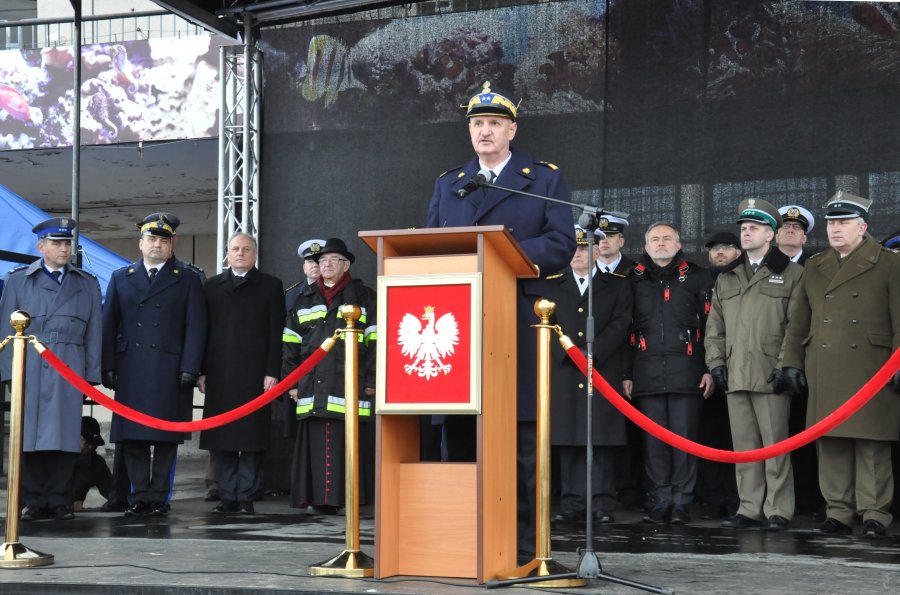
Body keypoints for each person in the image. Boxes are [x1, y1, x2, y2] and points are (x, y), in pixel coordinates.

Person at [425, 81, 575, 556]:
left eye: (493, 123)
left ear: (512, 129)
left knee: (522, 438)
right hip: (460, 326)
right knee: (462, 434)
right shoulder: (448, 182)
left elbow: (560, 245)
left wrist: (497, 254)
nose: (484, 131)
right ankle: (466, 541)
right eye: (476, 124)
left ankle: (528, 546)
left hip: (518, 322)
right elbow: (431, 245)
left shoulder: (544, 178)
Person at [782, 191, 899, 538]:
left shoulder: (890, 262)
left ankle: (875, 513)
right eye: (832, 223)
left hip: (872, 365)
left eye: (843, 222)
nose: (835, 229)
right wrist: (791, 362)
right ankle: (838, 511)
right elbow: (799, 321)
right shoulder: (816, 266)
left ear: (862, 227)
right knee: (830, 442)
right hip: (826, 362)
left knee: (870, 443)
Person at [705, 199, 803, 531]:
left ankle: (778, 509)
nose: (746, 233)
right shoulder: (727, 276)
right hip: (736, 374)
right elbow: (714, 326)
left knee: (775, 446)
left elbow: (796, 325)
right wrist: (716, 363)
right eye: (744, 228)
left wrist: (785, 365)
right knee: (744, 447)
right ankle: (749, 507)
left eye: (754, 228)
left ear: (771, 234)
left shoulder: (791, 273)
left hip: (770, 373)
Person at [101, 212, 207, 517]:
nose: (157, 245)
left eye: (163, 240)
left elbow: (196, 326)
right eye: (151, 239)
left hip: (169, 370)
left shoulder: (188, 278)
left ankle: (159, 497)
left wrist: (191, 366)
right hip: (132, 367)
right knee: (133, 438)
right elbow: (110, 325)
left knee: (166, 438)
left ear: (172, 245)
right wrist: (108, 365)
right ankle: (138, 496)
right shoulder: (121, 277)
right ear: (140, 243)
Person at [0, 218, 102, 521]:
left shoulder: (86, 282)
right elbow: (4, 328)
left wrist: (91, 375)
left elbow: (94, 331)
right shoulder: (18, 280)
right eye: (56, 243)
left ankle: (60, 500)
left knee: (65, 436)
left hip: (69, 366)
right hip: (29, 363)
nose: (63, 248)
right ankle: (34, 501)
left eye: (67, 243)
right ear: (41, 247)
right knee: (28, 437)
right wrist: (8, 372)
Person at [624, 222, 715, 525]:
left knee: (684, 441)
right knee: (654, 444)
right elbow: (625, 329)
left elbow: (711, 327)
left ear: (679, 245)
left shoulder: (699, 277)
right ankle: (660, 499)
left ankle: (682, 502)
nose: (661, 244)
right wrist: (627, 373)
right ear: (646, 246)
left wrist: (708, 369)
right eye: (654, 239)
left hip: (687, 373)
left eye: (667, 239)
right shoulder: (631, 280)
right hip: (646, 373)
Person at [282, 237, 377, 514]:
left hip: (350, 387)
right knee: (315, 448)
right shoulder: (303, 299)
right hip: (310, 388)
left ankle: (349, 500)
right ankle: (318, 500)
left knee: (349, 447)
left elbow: (376, 341)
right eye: (321, 261)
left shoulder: (364, 297)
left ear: (346, 265)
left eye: (333, 260)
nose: (326, 265)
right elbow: (290, 343)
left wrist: (371, 380)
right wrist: (291, 381)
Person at [546, 225, 632, 524]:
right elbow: (548, 324)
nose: (577, 255)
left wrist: (594, 352)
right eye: (573, 249)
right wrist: (568, 353)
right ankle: (571, 503)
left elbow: (621, 324)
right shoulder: (554, 285)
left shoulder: (617, 285)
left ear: (597, 251)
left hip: (602, 369)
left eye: (583, 249)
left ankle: (602, 502)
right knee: (569, 438)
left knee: (600, 438)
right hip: (566, 371)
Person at [198, 233, 284, 514]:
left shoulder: (271, 286)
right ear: (227, 253)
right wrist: (202, 371)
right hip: (219, 374)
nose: (240, 253)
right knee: (222, 439)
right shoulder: (211, 286)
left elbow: (276, 334)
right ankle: (227, 496)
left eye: (246, 249)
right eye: (235, 249)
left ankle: (246, 497)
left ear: (255, 255)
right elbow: (203, 333)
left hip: (255, 374)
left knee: (251, 439)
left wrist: (272, 371)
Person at [776, 203, 824, 518]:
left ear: (805, 239)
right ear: (774, 235)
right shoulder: (760, 265)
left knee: (811, 431)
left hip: (811, 362)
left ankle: (812, 500)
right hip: (769, 363)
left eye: (798, 228)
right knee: (778, 435)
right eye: (786, 227)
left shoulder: (817, 267)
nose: (791, 231)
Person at [694, 229, 742, 519]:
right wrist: (707, 368)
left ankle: (740, 501)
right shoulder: (699, 281)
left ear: (739, 251)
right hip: (707, 373)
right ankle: (713, 500)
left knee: (740, 442)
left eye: (726, 247)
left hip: (741, 372)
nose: (719, 253)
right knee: (709, 438)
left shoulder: (746, 277)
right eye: (714, 249)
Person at [72, 416, 113, 511]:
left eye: (93, 443)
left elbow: (111, 491)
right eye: (86, 441)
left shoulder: (95, 463)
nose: (90, 446)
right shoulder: (56, 459)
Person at [284, 238, 325, 313]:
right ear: (304, 268)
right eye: (310, 261)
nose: (315, 265)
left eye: (319, 261)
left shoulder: (335, 290)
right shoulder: (291, 294)